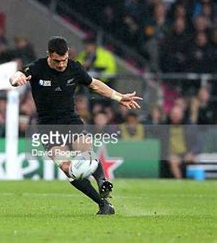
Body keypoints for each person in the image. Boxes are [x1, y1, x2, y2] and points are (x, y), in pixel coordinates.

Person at [9, 36, 142, 215]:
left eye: (64, 60)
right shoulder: (37, 68)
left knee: (86, 152)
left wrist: (119, 97)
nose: (62, 64)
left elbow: (94, 85)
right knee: (67, 168)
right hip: (48, 127)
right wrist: (16, 79)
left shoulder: (74, 67)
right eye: (57, 61)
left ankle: (102, 182)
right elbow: (18, 74)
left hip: (71, 121)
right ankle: (103, 205)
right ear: (49, 54)